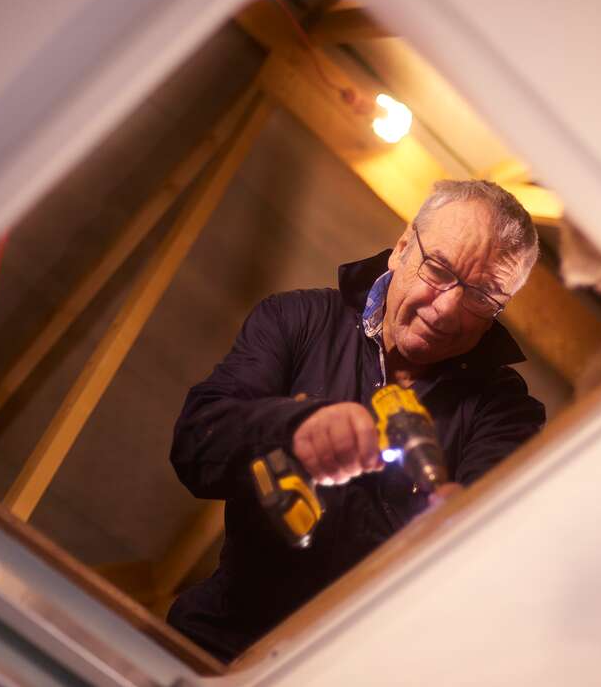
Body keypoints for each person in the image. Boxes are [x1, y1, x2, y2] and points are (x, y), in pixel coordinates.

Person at [167, 179, 546, 662]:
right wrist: (295, 428)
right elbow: (196, 445)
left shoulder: (506, 411)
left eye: (483, 296)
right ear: (404, 247)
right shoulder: (298, 321)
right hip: (219, 638)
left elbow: (495, 560)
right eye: (439, 270)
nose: (447, 307)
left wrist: (465, 535)